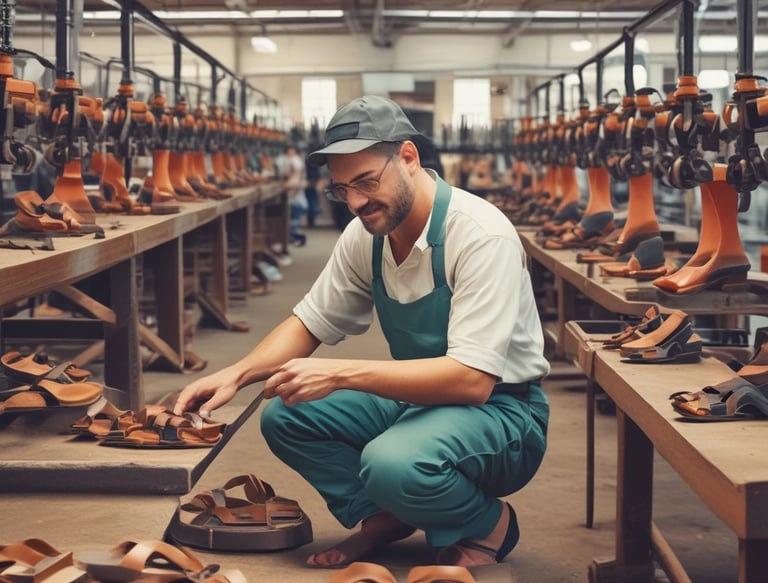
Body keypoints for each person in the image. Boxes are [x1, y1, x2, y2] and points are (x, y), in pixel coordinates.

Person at [174, 95, 550, 569]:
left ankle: (487, 523)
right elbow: (311, 321)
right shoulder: (368, 234)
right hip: (424, 401)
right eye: (340, 189)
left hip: (504, 412)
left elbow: (472, 381)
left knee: (392, 462)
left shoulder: (478, 235)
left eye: (366, 182)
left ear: (408, 158)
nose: (354, 202)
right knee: (287, 413)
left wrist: (341, 373)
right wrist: (238, 373)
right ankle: (385, 518)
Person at [282, 145, 308, 246]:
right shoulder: (296, 160)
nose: (290, 153)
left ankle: (293, 237)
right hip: (295, 188)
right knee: (295, 216)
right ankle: (294, 237)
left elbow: (289, 174)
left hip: (294, 189)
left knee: (294, 216)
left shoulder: (293, 160)